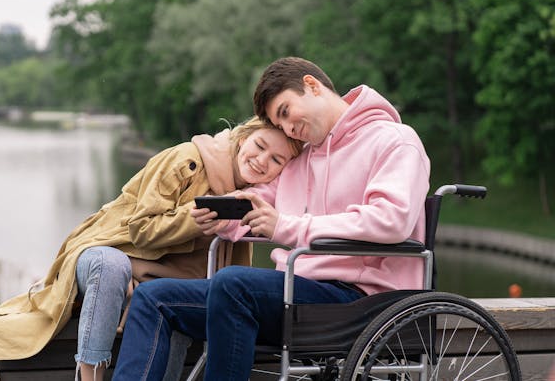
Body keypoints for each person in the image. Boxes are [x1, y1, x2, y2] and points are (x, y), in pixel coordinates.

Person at [111, 56, 431, 381]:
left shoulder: (396, 141)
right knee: (155, 298)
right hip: (297, 295)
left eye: (285, 112)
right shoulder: (301, 159)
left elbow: (392, 219)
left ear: (311, 85)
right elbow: (256, 203)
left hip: (364, 302)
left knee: (234, 283)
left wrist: (287, 227)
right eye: (280, 125)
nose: (289, 128)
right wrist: (218, 214)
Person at [0, 116, 303, 381]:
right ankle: (88, 376)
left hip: (162, 281)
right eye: (260, 146)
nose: (262, 161)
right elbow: (139, 230)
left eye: (276, 159)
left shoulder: (254, 199)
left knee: (175, 296)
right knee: (112, 268)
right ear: (242, 137)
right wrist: (190, 219)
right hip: (109, 251)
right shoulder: (186, 159)